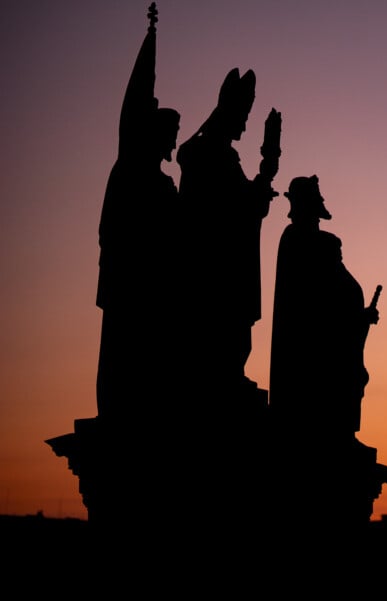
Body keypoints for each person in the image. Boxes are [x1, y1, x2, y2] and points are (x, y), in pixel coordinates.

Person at [96, 3, 181, 420]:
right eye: (171, 135)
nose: (174, 143)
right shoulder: (131, 172)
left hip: (159, 289)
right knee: (125, 357)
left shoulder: (164, 184)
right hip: (133, 285)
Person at [176, 68, 280, 396]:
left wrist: (266, 170)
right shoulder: (203, 154)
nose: (245, 124)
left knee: (235, 326)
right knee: (217, 322)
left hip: (232, 259)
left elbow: (247, 202)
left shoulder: (225, 156)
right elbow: (228, 205)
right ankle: (215, 378)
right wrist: (264, 173)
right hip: (213, 263)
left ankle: (227, 374)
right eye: (242, 115)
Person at [268, 175, 379, 444]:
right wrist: (355, 317)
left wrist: (359, 317)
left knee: (350, 379)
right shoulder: (298, 239)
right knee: (335, 381)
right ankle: (328, 431)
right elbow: (313, 299)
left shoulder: (324, 241)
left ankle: (341, 431)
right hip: (316, 339)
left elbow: (336, 292)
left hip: (338, 334)